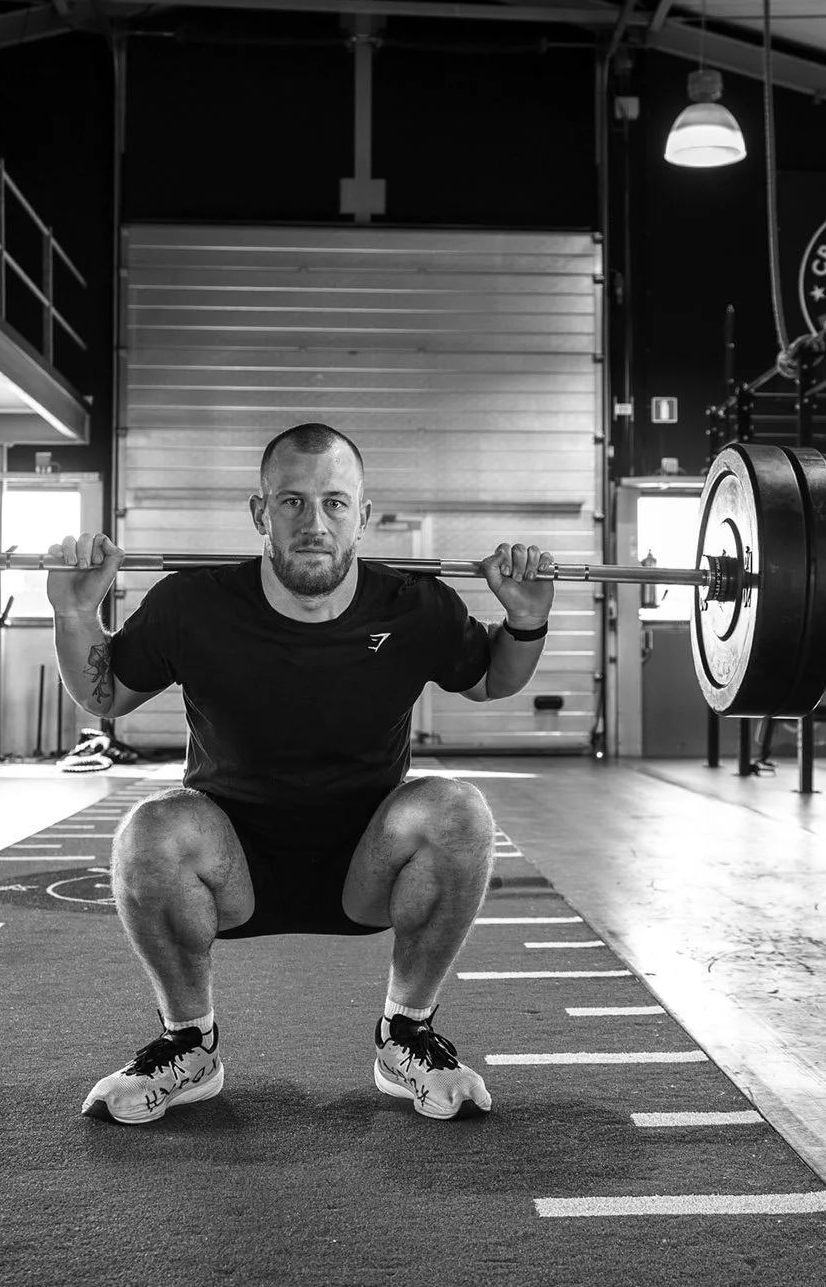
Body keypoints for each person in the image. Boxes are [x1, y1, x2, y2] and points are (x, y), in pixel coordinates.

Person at [46, 422, 554, 1126]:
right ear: (261, 513)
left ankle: (406, 1036)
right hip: (229, 869)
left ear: (362, 516)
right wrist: (75, 611)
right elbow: (105, 697)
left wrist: (525, 621)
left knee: (458, 810)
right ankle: (189, 1046)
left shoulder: (415, 606)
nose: (315, 524)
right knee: (150, 830)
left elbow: (491, 680)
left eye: (335, 503)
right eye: (292, 502)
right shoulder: (192, 604)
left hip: (368, 868)